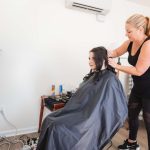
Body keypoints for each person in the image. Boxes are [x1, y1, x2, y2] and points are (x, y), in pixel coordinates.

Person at [36, 47, 127, 150]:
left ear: (102, 59)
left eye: (93, 58)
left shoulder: (110, 79)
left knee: (56, 127)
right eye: (89, 58)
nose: (90, 61)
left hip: (90, 119)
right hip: (78, 112)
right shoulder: (93, 75)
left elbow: (116, 109)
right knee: (49, 119)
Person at [108, 14, 150, 150]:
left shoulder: (148, 44)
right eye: (126, 31)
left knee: (148, 122)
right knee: (131, 116)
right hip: (138, 88)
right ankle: (132, 143)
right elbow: (114, 52)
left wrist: (116, 66)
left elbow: (138, 70)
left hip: (149, 91)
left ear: (140, 29)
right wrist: (101, 52)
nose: (126, 34)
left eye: (129, 31)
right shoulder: (130, 43)